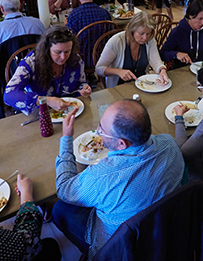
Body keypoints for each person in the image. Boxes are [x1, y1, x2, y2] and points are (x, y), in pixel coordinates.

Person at [52, 99, 184, 257]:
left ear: (122, 144)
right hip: (162, 231)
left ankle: (93, 254)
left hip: (119, 246)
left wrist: (66, 138)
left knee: (59, 209)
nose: (97, 131)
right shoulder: (170, 144)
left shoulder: (103, 175)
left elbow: (64, 188)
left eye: (101, 129)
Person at [4, 26, 91, 115]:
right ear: (47, 49)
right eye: (57, 52)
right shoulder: (31, 62)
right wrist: (46, 100)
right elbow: (9, 95)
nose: (63, 57)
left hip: (70, 111)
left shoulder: (75, 59)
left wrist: (83, 88)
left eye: (67, 51)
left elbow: (81, 83)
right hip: (40, 114)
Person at [96, 12, 168, 88]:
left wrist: (162, 70)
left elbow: (156, 62)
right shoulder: (117, 41)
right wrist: (118, 71)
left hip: (143, 85)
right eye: (141, 33)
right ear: (132, 30)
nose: (145, 38)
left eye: (148, 33)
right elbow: (99, 69)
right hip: (118, 87)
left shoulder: (150, 40)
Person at [0, 0, 46, 64]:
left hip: (10, 73)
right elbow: (46, 48)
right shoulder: (37, 23)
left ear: (1, 8)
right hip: (37, 67)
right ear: (20, 5)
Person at [161, 0, 203, 69]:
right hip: (180, 71)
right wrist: (176, 54)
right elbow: (163, 53)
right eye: (200, 18)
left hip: (199, 69)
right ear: (191, 16)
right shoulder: (178, 31)